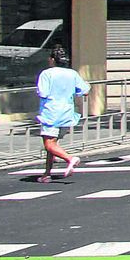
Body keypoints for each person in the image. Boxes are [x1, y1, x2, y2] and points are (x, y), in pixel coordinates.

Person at [35, 45, 88, 183]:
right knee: (53, 144)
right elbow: (84, 90)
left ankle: (70, 159)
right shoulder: (72, 74)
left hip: (51, 112)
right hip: (67, 112)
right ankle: (47, 173)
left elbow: (43, 93)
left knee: (49, 144)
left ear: (52, 59)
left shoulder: (47, 74)